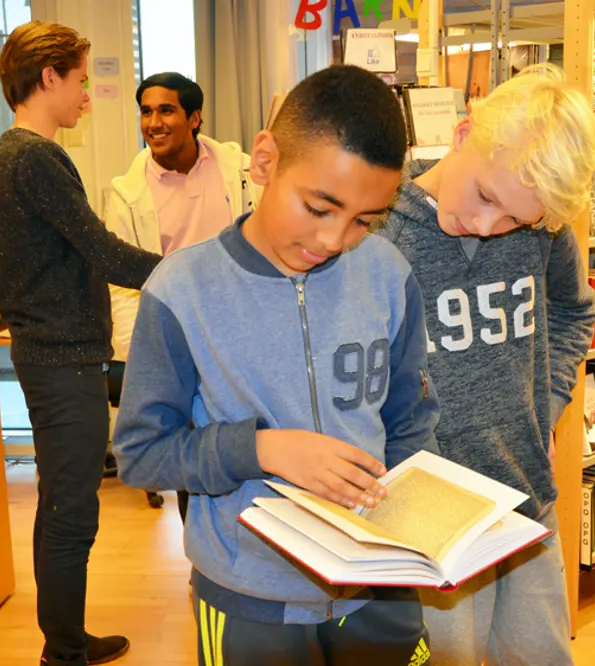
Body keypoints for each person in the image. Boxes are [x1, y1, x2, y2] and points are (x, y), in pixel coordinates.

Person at [112, 64, 440, 666]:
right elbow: (141, 453)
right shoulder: (182, 290)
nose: (335, 240)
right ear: (265, 161)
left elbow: (410, 422)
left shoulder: (387, 273)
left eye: (365, 220)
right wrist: (263, 449)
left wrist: (424, 524)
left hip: (380, 589)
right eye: (319, 207)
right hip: (250, 602)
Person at [378, 63, 595, 666]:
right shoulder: (380, 228)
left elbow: (573, 310)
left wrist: (546, 404)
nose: (485, 225)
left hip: (527, 496)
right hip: (429, 520)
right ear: (461, 133)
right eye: (485, 197)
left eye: (514, 221)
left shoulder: (543, 224)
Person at [0, 20, 162, 666]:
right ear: (49, 77)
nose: (87, 96)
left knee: (61, 503)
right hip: (62, 361)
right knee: (70, 513)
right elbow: (102, 250)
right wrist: (187, 273)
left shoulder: (17, 155)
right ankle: (62, 655)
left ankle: (64, 638)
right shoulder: (34, 157)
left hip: (58, 355)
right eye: (81, 81)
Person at [104, 71, 259, 518]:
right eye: (146, 112)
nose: (153, 122)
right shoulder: (127, 194)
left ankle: (251, 539)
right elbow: (122, 284)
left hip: (241, 332)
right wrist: (135, 358)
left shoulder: (240, 171)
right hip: (178, 341)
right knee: (195, 455)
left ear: (194, 118)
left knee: (248, 442)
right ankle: (201, 549)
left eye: (166, 110)